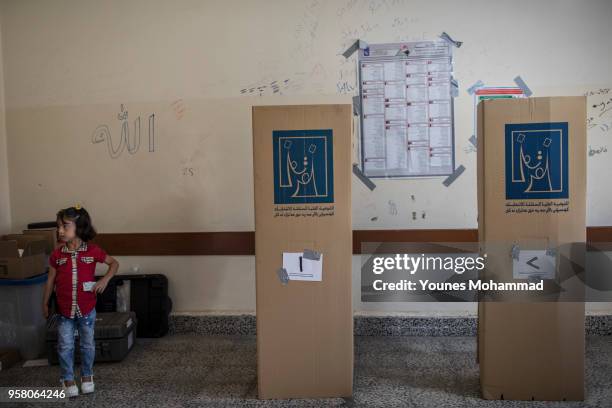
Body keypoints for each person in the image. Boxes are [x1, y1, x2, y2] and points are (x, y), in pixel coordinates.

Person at [42, 205, 119, 397]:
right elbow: (50, 280)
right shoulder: (57, 255)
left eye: (65, 226)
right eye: (58, 226)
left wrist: (104, 279)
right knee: (65, 345)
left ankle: (87, 376)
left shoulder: (93, 251)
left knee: (87, 344)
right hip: (63, 311)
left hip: (87, 309)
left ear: (80, 227)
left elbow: (113, 263)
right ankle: (67, 378)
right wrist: (44, 302)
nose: (60, 230)